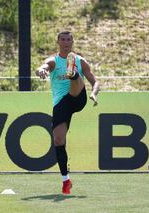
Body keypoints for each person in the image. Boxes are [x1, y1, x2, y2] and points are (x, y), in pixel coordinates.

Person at [36, 31, 100, 195]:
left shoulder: (80, 60)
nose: (66, 42)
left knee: (74, 83)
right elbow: (44, 66)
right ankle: (66, 180)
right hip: (61, 104)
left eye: (68, 39)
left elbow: (95, 81)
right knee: (58, 140)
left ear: (72, 42)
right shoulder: (53, 60)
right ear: (58, 42)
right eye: (62, 39)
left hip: (78, 97)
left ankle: (73, 74)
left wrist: (94, 93)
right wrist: (41, 70)